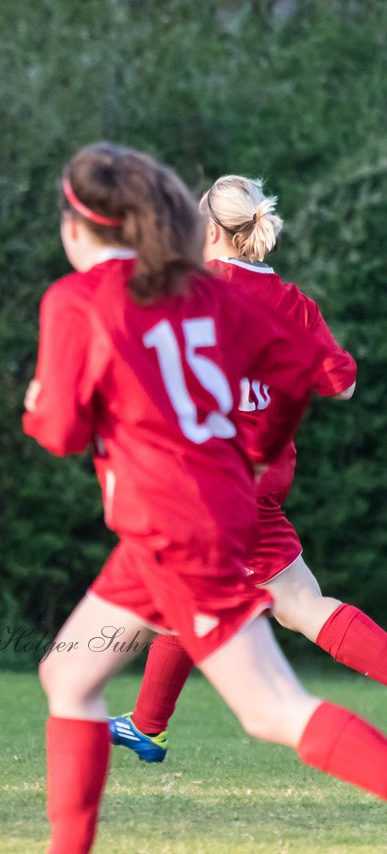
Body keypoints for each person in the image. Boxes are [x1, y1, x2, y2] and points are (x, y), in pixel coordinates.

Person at [24, 142, 387, 853]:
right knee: (67, 672)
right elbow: (296, 370)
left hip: (172, 521)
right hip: (195, 513)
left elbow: (62, 432)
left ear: (77, 226)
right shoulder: (203, 290)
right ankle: (121, 767)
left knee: (274, 708)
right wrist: (262, 448)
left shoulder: (78, 298)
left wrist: (39, 407)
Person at [109, 175, 387, 764]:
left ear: (208, 228)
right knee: (268, 600)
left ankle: (147, 725)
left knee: (272, 604)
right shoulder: (292, 304)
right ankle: (147, 726)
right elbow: (344, 385)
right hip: (255, 488)